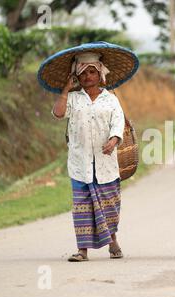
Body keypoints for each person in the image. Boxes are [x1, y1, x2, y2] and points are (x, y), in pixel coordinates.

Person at [51, 52, 126, 262]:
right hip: (79, 164)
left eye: (92, 72)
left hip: (106, 164)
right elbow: (58, 113)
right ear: (76, 76)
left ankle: (113, 241)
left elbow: (118, 123)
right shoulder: (73, 99)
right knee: (82, 209)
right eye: (82, 73)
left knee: (109, 206)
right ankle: (82, 250)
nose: (87, 77)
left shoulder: (110, 99)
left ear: (100, 74)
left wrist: (113, 140)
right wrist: (66, 88)